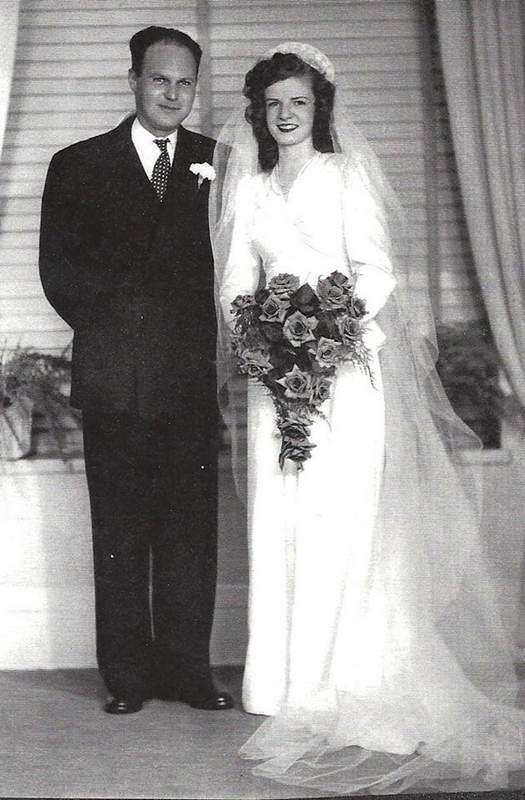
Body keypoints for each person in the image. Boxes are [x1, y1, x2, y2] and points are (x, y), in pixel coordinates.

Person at [211, 42, 525, 794]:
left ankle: (347, 677)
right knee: (283, 519)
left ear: (319, 108)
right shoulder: (249, 188)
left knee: (342, 517)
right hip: (276, 381)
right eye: (274, 104)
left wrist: (328, 335)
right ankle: (282, 684)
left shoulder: (345, 173)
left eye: (299, 102)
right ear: (259, 113)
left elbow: (377, 271)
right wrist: (263, 339)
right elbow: (235, 282)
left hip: (346, 373)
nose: (286, 115)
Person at [39, 26, 233, 715]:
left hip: (189, 379)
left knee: (189, 535)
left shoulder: (220, 162)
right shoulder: (78, 164)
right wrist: (126, 330)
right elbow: (58, 272)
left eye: (185, 83)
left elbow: (234, 269)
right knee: (120, 535)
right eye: (159, 80)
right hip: (115, 376)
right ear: (133, 80)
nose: (172, 94)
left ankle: (188, 672)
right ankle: (126, 677)